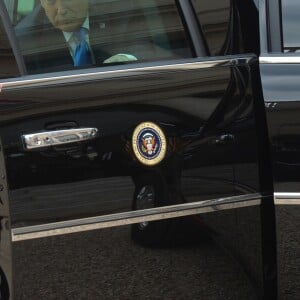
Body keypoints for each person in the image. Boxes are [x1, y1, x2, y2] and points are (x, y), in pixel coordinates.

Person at [16, 0, 137, 74]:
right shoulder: (24, 41)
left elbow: (148, 51)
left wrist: (127, 59)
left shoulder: (118, 13)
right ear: (42, 2)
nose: (61, 10)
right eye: (51, 0)